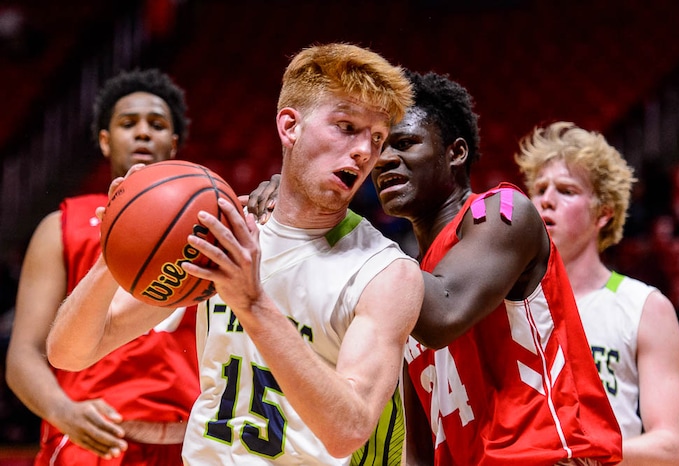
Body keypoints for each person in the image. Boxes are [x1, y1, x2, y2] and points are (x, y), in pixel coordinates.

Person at [46, 43, 424, 465]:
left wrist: (253, 303)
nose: (364, 151)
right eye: (346, 126)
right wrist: (112, 253)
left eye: (376, 137)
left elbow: (348, 431)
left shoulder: (386, 272)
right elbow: (71, 353)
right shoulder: (223, 230)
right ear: (289, 126)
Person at [246, 71, 623, 465]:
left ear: (455, 153)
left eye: (405, 143)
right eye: (379, 148)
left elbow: (444, 314)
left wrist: (330, 216)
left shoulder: (500, 212)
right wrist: (297, 204)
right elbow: (421, 444)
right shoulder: (403, 281)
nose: (385, 158)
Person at [5, 68, 199, 464]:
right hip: (93, 437)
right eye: (129, 124)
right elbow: (24, 353)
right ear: (106, 142)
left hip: (192, 442)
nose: (143, 133)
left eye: (157, 124)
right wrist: (61, 411)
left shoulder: (209, 223)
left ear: (174, 143)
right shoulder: (63, 224)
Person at [515, 121, 679, 465]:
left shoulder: (644, 306)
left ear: (604, 213)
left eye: (566, 190)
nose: (547, 201)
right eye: (539, 189)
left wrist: (576, 448)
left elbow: (671, 448)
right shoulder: (502, 303)